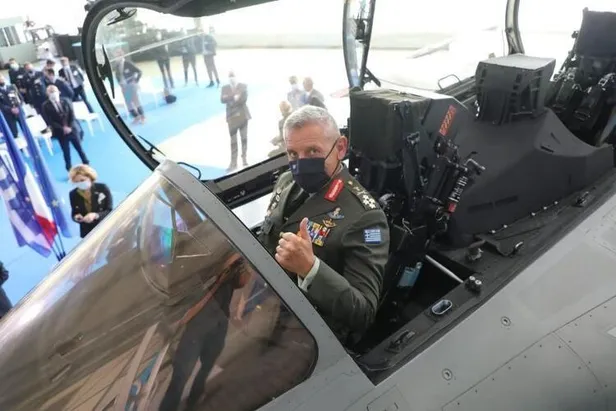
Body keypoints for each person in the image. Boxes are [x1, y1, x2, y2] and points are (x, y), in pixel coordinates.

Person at [258, 105, 389, 344]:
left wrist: (310, 268)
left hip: (305, 333)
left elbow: (363, 312)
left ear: (340, 148)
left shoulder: (366, 217)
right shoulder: (286, 182)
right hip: (265, 305)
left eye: (313, 151)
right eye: (293, 154)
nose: (301, 164)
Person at [159, 253, 250, 411]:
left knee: (206, 367)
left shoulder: (234, 262)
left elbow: (241, 282)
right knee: (181, 376)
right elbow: (192, 301)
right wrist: (222, 272)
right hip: (198, 324)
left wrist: (243, 266)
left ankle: (194, 400)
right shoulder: (207, 259)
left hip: (218, 321)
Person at [42, 85, 89, 173]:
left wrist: (69, 127)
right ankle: (69, 169)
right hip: (60, 132)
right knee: (66, 152)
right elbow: (49, 120)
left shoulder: (66, 101)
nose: (53, 94)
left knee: (79, 148)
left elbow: (72, 114)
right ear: (47, 94)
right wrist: (62, 128)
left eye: (54, 91)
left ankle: (86, 164)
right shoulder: (45, 106)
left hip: (72, 129)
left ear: (58, 92)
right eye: (50, 92)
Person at [68, 164, 113, 238]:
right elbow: (74, 213)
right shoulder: (73, 194)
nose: (80, 183)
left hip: (104, 227)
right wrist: (76, 217)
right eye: (76, 182)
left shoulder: (103, 188)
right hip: (87, 232)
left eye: (82, 180)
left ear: (90, 177)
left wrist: (96, 215)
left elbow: (109, 210)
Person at [220, 71, 250, 171]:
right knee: (233, 141)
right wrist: (234, 96)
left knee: (244, 138)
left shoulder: (243, 86)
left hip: (242, 116)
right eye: (230, 78)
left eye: (233, 77)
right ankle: (233, 162)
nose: (232, 79)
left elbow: (243, 99)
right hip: (231, 118)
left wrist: (229, 97)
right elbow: (222, 100)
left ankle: (244, 158)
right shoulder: (225, 88)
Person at [113, 50, 145, 124]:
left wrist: (136, 81)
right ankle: (136, 117)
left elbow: (139, 72)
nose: (116, 58)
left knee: (136, 101)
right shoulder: (116, 66)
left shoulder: (128, 63)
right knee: (128, 103)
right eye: (115, 57)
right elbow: (117, 76)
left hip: (131, 85)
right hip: (124, 87)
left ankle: (142, 117)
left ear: (121, 56)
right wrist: (120, 84)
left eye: (117, 56)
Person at [0, 74, 24, 138]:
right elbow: (1, 105)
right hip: (8, 114)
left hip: (19, 111)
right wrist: (11, 109)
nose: (1, 79)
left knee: (25, 130)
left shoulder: (12, 87)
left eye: (1, 77)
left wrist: (18, 107)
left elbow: (20, 98)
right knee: (14, 134)